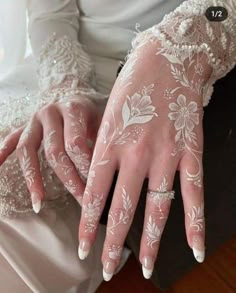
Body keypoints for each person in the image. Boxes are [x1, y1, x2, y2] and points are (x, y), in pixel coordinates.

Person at [0, 0, 235, 291]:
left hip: (154, 107)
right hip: (53, 72)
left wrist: (185, 39)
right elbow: (50, 11)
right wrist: (65, 87)